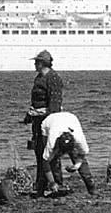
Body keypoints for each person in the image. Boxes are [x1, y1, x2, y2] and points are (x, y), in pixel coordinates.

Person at [24, 50, 63, 194]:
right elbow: (36, 100)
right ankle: (41, 184)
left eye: (36, 62)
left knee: (51, 152)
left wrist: (40, 112)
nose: (34, 64)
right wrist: (30, 115)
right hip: (37, 122)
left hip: (49, 122)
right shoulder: (39, 77)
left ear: (42, 63)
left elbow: (55, 105)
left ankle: (56, 184)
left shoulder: (53, 78)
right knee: (39, 151)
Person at [37, 111, 97, 197]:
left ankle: (92, 188)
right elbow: (45, 161)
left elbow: (82, 154)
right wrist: (52, 182)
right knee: (51, 158)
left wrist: (76, 165)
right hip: (48, 122)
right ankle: (51, 186)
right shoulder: (52, 141)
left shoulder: (79, 139)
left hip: (71, 119)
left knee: (78, 157)